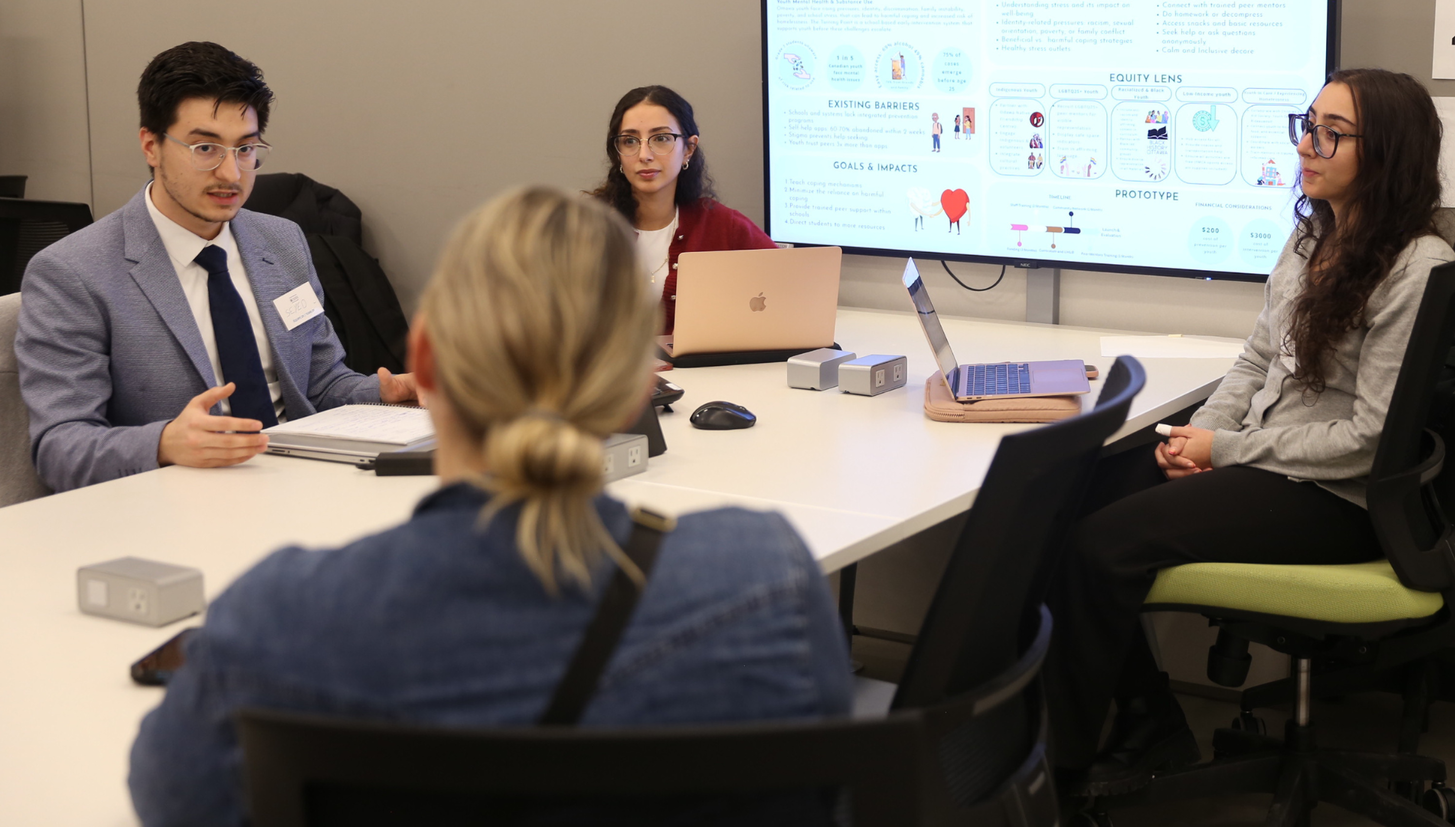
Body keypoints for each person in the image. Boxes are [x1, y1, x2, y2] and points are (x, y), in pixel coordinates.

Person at [127, 186, 852, 825]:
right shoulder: (767, 581)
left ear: (425, 361)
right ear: (638, 387)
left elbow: (177, 798)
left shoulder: (280, 620)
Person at [1043, 68, 1455, 797]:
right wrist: (1194, 440)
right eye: (1308, 124)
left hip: (1339, 497)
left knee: (1102, 545)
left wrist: (1226, 450)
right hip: (1262, 461)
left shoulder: (1417, 267)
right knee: (1060, 502)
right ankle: (1148, 719)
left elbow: (1367, 437)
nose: (1306, 145)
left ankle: (1061, 772)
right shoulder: (1314, 236)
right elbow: (1259, 359)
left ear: (1386, 151)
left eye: (1332, 133)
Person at [14, 41, 416, 493]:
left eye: (246, 149)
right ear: (151, 145)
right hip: (175, 500)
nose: (231, 174)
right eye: (205, 147)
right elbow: (60, 448)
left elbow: (320, 385)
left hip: (302, 484)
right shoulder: (72, 273)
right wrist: (163, 443)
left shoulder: (282, 242)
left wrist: (384, 393)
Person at [588, 85, 774, 335]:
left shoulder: (722, 225)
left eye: (661, 138)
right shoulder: (586, 227)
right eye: (630, 141)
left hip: (696, 362)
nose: (644, 155)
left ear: (689, 149)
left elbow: (791, 284)